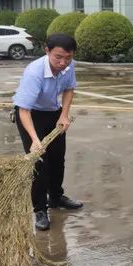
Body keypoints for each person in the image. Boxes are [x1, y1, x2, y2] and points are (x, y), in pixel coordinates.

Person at [12, 33, 83, 230]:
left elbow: (69, 89)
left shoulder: (69, 66)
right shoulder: (34, 72)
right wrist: (35, 140)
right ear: (47, 51)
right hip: (31, 115)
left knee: (58, 159)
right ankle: (40, 209)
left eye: (68, 58)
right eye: (58, 57)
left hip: (53, 113)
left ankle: (56, 198)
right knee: (39, 164)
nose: (63, 62)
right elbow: (23, 110)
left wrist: (64, 115)